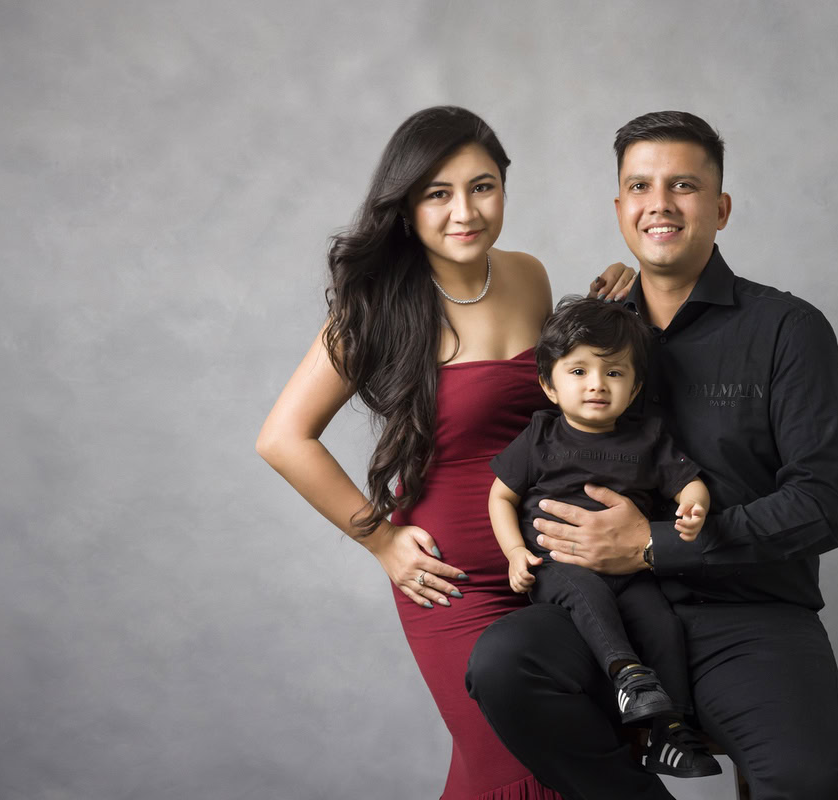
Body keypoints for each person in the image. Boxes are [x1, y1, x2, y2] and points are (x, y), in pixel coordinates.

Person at [466, 111, 838, 799]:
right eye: (640, 186)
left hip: (747, 616)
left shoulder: (787, 331)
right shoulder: (592, 334)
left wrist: (652, 545)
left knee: (812, 785)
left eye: (682, 185)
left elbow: (823, 508)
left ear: (720, 208)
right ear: (621, 208)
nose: (659, 203)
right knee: (506, 663)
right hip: (605, 614)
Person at [255, 105, 634, 800]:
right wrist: (382, 542)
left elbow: (553, 404)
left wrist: (604, 320)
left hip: (550, 569)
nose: (465, 210)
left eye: (482, 186)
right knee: (528, 768)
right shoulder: (376, 309)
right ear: (406, 206)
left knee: (559, 758)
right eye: (438, 193)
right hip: (454, 583)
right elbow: (282, 438)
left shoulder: (528, 276)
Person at [488, 297, 721, 779]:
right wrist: (514, 552)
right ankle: (627, 676)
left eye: (614, 374)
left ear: (635, 387)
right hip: (558, 566)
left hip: (631, 569)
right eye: (578, 372)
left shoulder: (648, 438)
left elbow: (687, 481)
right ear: (549, 386)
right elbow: (501, 497)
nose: (596, 384)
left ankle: (670, 729)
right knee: (587, 593)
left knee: (661, 623)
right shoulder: (540, 437)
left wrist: (694, 506)